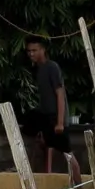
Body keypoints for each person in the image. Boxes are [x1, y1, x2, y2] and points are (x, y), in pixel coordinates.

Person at [25, 37, 73, 177]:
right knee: (29, 120)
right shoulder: (39, 70)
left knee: (68, 154)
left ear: (43, 50)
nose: (31, 54)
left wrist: (60, 122)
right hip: (45, 116)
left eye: (34, 50)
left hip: (55, 117)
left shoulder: (52, 67)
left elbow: (60, 94)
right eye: (29, 51)